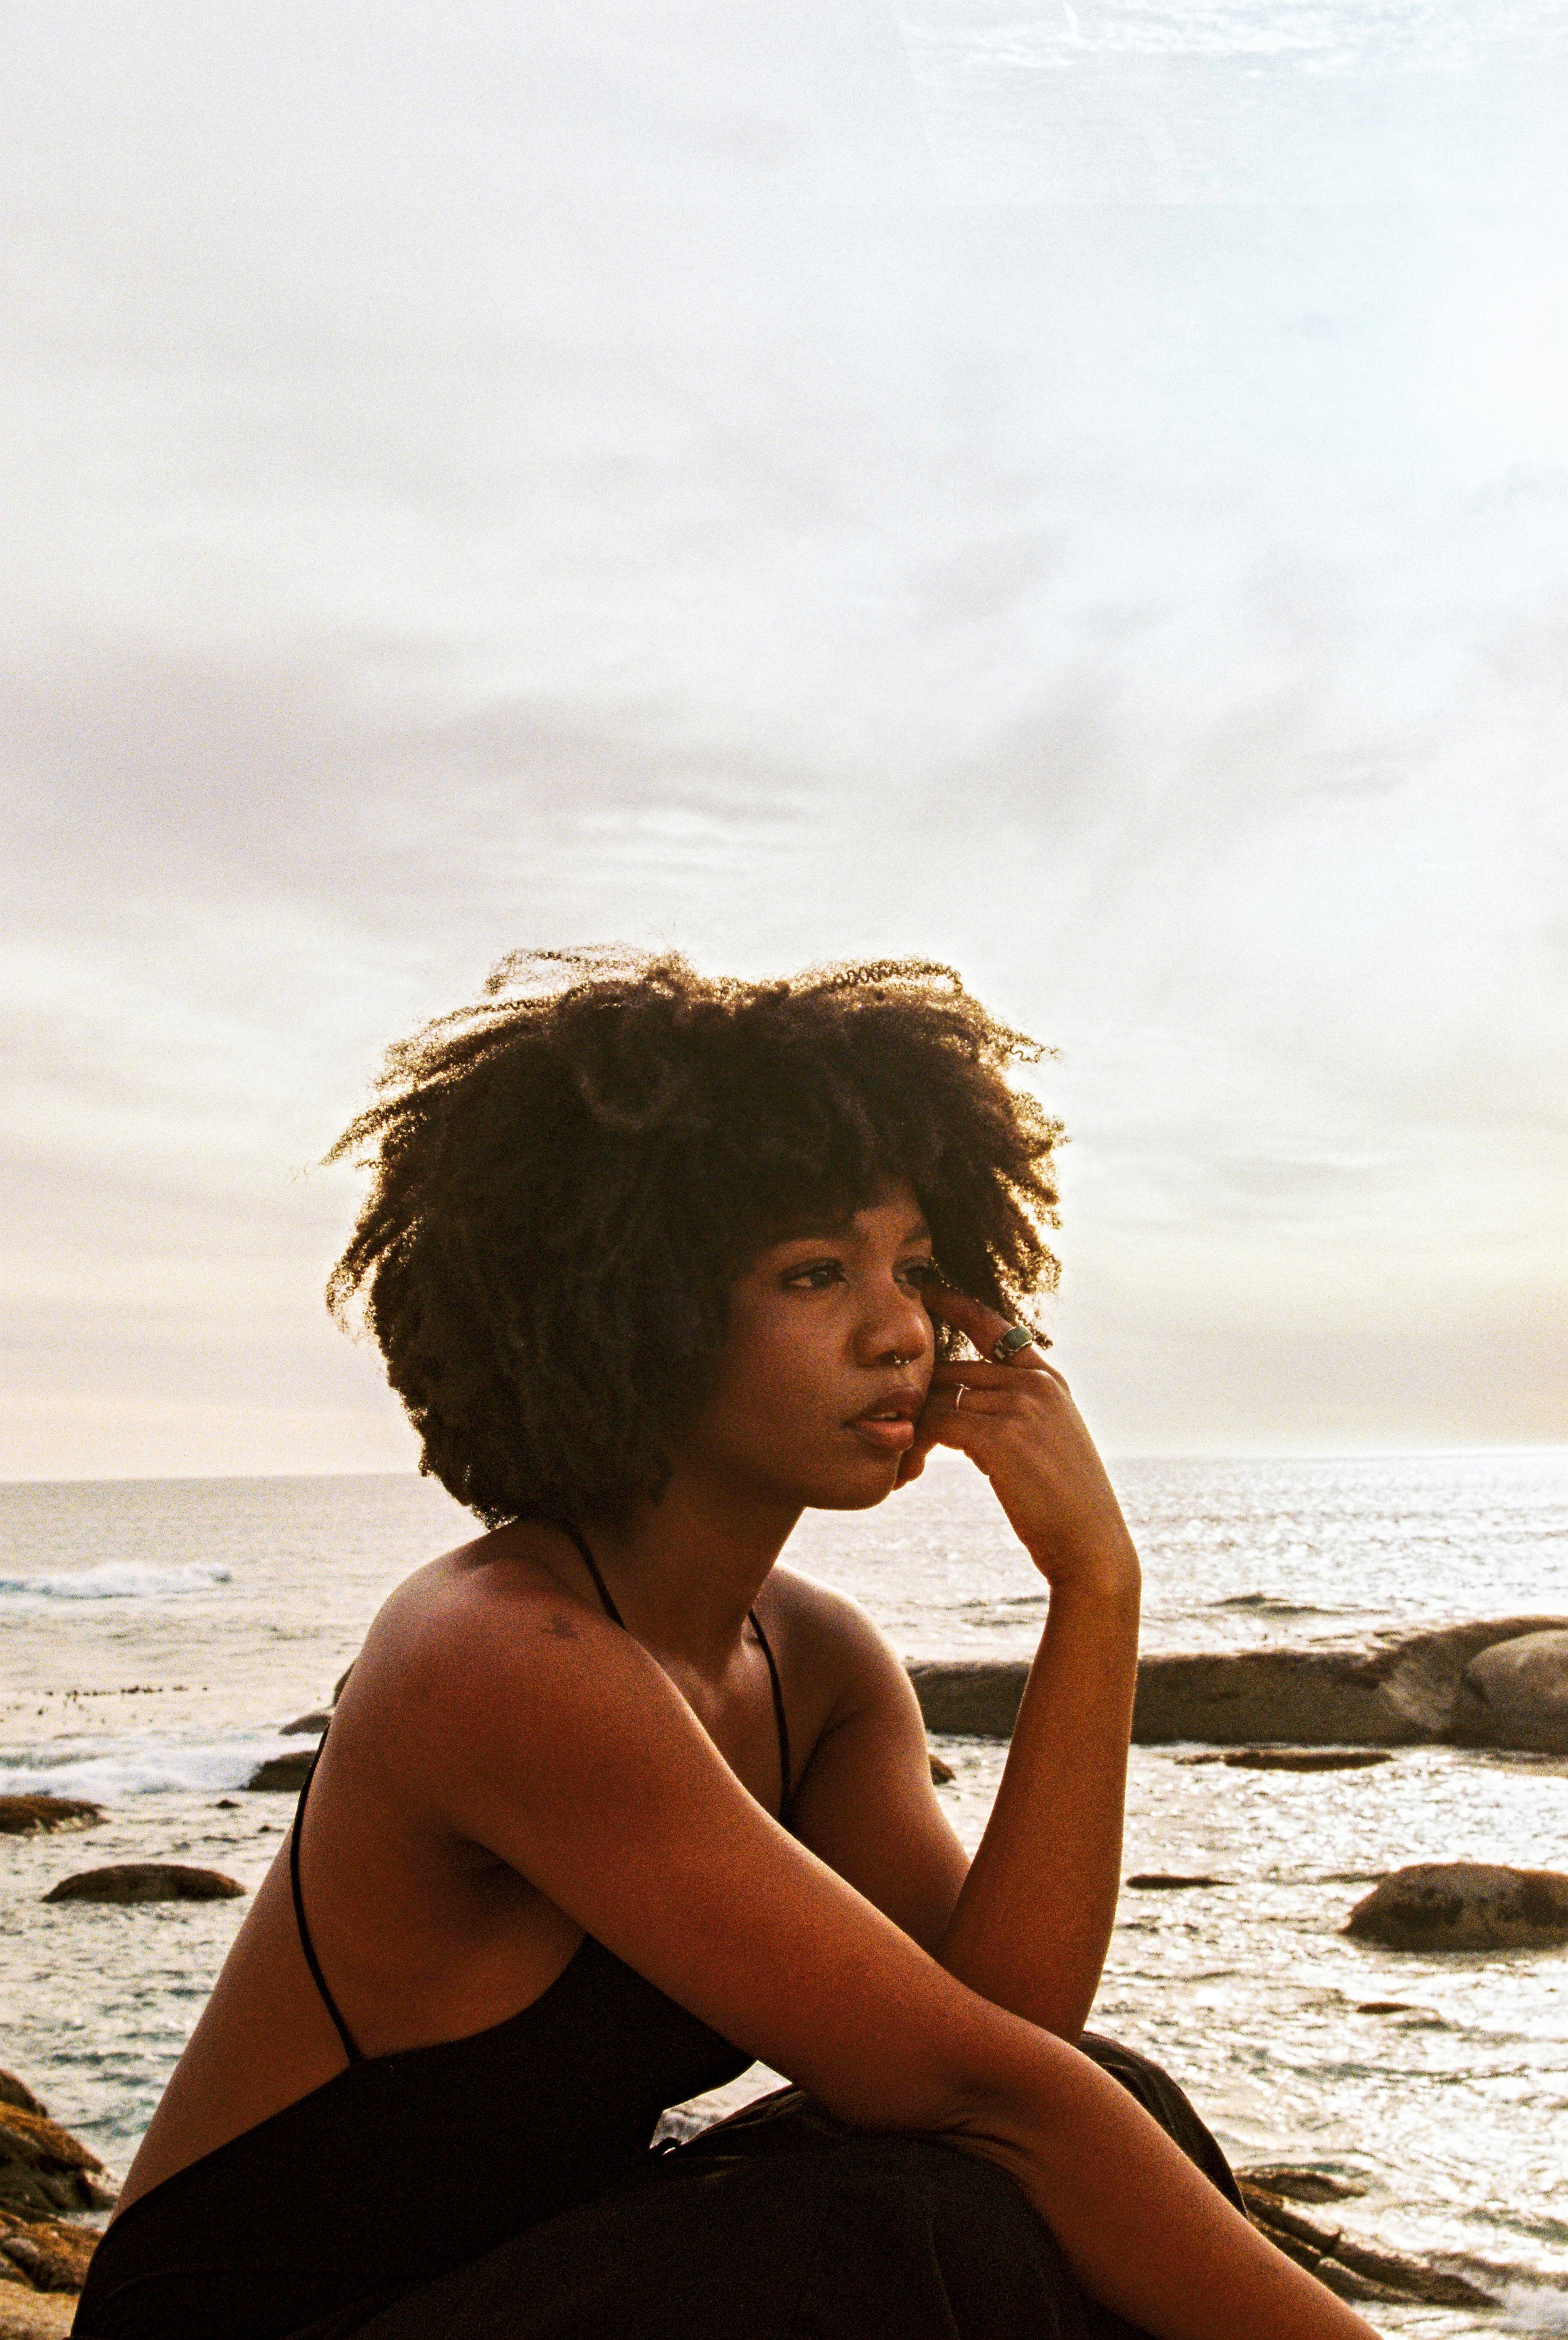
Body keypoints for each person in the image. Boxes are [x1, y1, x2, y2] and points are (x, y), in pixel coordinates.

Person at [73, 953, 1379, 2340]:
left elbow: (1009, 2028)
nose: (900, 1329)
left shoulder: (813, 1663)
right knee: (901, 2230)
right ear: (627, 1310)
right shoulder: (499, 1651)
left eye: (921, 1269)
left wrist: (1093, 1588)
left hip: (528, 2277)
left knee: (1107, 2097)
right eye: (815, 1271)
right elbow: (985, 2098)